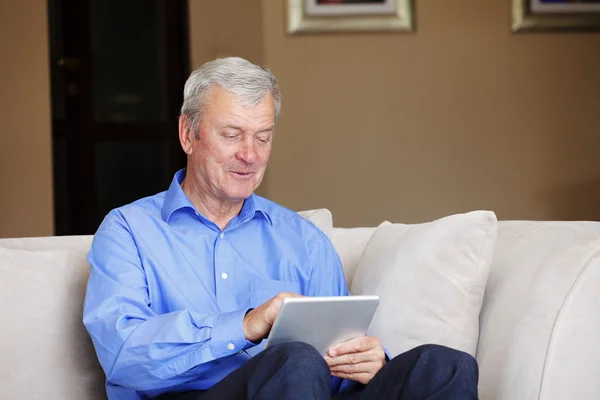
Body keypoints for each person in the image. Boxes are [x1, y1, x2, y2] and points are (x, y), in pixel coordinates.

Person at [83, 57, 478, 399]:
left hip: (304, 388)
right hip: (189, 396)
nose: (249, 155)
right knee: (294, 361)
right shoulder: (128, 231)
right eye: (232, 134)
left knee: (444, 365)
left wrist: (366, 362)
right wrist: (246, 324)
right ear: (189, 133)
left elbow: (335, 366)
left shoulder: (302, 239)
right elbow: (123, 357)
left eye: (263, 137)